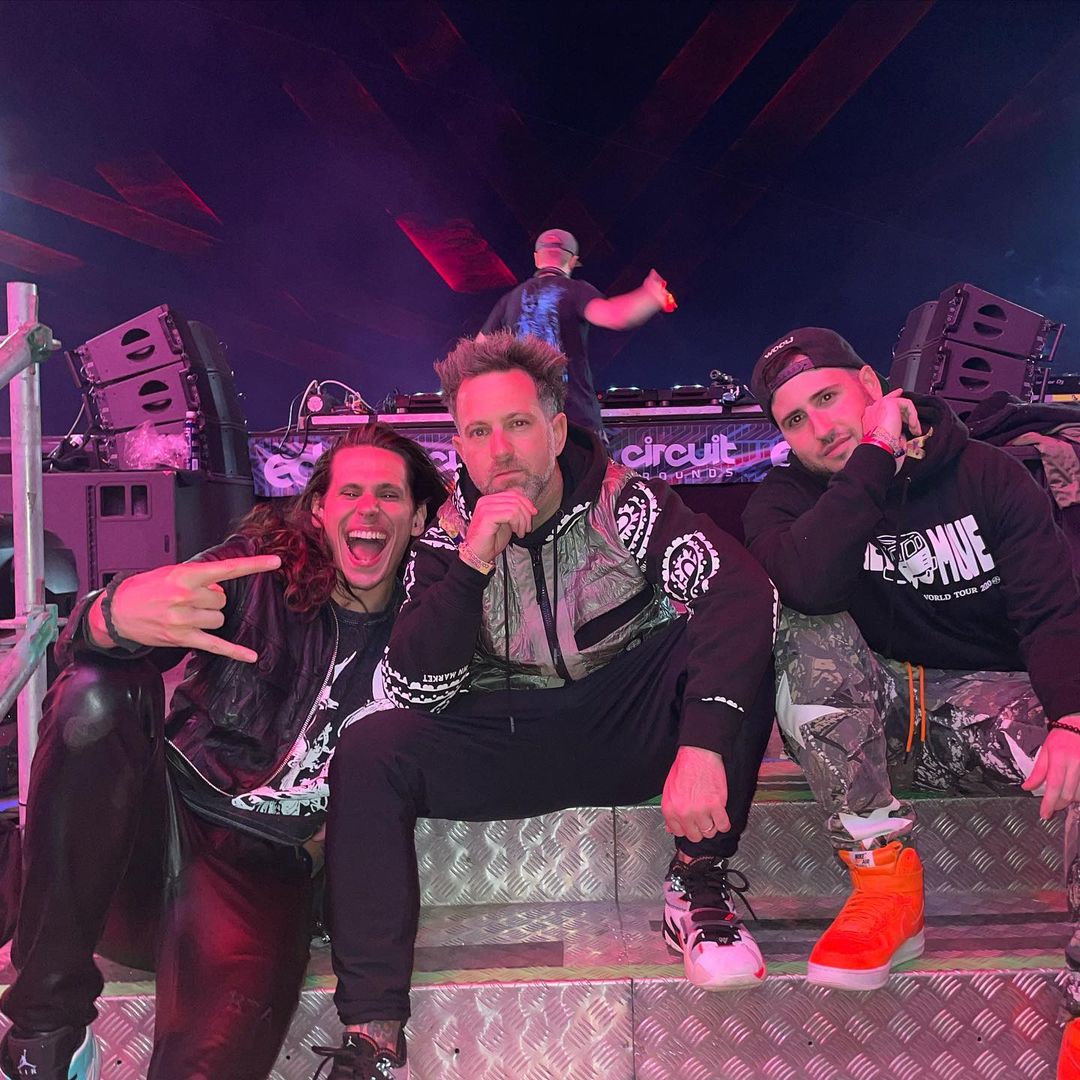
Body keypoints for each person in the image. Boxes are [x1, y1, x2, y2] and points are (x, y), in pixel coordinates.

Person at [311, 330, 778, 1079]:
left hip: (629, 725)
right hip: (509, 739)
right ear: (459, 448)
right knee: (371, 747)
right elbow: (417, 690)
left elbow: (740, 591)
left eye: (519, 424)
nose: (500, 450)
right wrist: (474, 561)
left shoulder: (629, 503)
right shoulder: (444, 537)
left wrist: (703, 742)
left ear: (557, 431)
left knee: (737, 630)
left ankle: (697, 885)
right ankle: (373, 1031)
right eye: (478, 432)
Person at [0, 424, 446, 1080]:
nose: (368, 509)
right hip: (154, 825)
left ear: (419, 517)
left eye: (389, 494)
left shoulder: (435, 623)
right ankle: (44, 1034)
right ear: (318, 510)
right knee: (98, 690)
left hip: (261, 866)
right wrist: (106, 615)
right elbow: (118, 637)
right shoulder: (259, 573)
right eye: (349, 492)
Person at [739, 328, 1080, 1063]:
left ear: (871, 383)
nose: (819, 426)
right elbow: (808, 586)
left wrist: (1072, 720)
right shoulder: (782, 502)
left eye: (828, 397)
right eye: (794, 419)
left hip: (989, 711)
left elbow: (1052, 607)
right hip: (868, 725)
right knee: (798, 616)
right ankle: (884, 884)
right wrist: (873, 454)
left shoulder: (987, 474)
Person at [480, 228, 672, 438]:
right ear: (572, 261)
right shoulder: (575, 290)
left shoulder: (510, 299)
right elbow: (616, 315)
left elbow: (478, 352)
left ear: (537, 258)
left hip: (525, 424)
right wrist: (650, 295)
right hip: (575, 422)